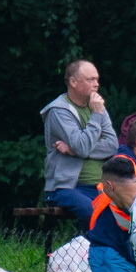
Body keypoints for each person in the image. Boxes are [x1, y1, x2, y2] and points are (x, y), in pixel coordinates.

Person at [41, 60, 118, 233]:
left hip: (99, 186)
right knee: (92, 213)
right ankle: (92, 256)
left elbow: (112, 145)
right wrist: (96, 115)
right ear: (73, 82)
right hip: (66, 187)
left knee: (123, 212)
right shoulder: (59, 111)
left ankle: (112, 258)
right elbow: (83, 147)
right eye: (90, 79)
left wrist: (74, 150)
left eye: (97, 79)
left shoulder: (97, 107)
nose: (96, 84)